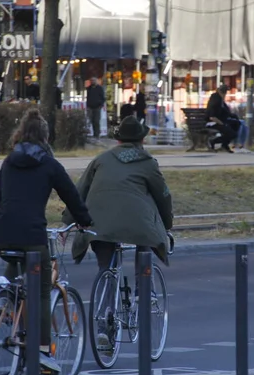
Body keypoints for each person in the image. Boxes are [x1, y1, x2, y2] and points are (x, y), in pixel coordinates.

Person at [0, 108, 93, 373]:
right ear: (45, 137)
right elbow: (71, 196)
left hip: (1, 234)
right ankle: (43, 351)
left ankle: (6, 304)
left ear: (21, 133)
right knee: (43, 290)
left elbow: (0, 199)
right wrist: (84, 220)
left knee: (15, 260)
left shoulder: (9, 161)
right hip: (33, 236)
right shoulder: (48, 164)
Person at [62, 115, 173, 352]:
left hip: (98, 222)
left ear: (118, 139)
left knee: (106, 267)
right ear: (142, 139)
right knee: (144, 242)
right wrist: (167, 224)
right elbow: (163, 196)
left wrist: (67, 221)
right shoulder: (148, 163)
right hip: (137, 222)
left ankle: (103, 324)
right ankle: (144, 292)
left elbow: (79, 191)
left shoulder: (100, 159)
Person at [205, 84, 239, 153]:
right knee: (232, 134)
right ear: (222, 92)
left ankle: (224, 144)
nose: (225, 94)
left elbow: (226, 111)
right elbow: (212, 117)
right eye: (225, 92)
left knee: (237, 124)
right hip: (214, 123)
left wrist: (233, 116)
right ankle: (214, 141)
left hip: (221, 120)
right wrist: (223, 124)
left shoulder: (220, 100)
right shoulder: (215, 101)